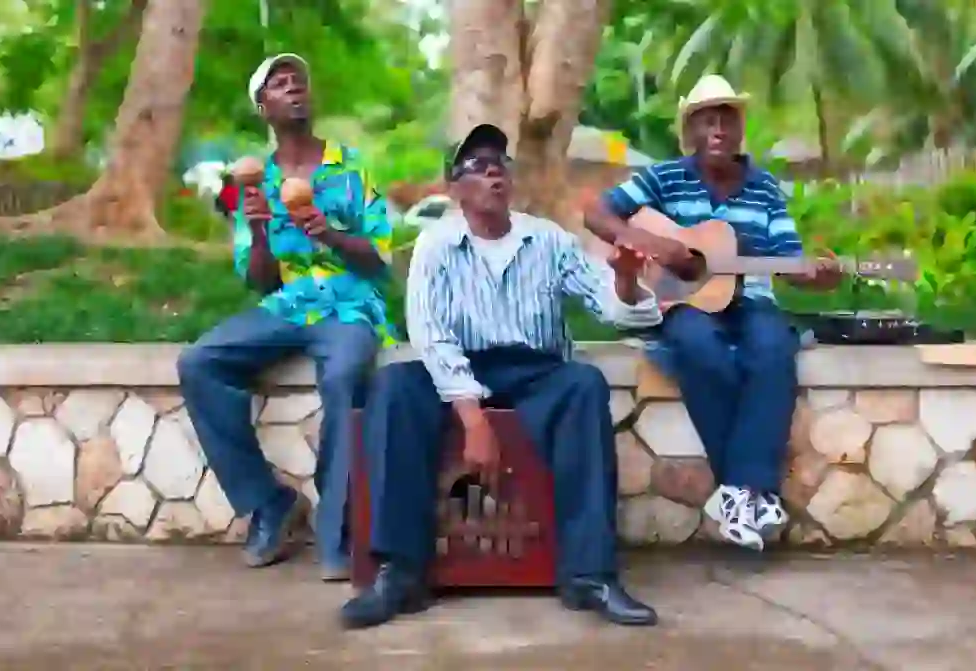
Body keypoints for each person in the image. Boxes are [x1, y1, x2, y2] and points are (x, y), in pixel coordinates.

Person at [341, 123, 690, 630]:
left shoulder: (548, 240)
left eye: (499, 163)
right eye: (477, 166)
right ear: (455, 187)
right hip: (462, 367)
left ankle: (589, 576)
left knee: (584, 387)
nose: (492, 172)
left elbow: (619, 312)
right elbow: (432, 336)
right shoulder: (435, 246)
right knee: (394, 389)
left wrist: (624, 280)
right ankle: (401, 573)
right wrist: (473, 418)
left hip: (535, 370)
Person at [584, 75, 841, 552]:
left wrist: (816, 275)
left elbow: (787, 258)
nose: (718, 128)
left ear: (740, 128)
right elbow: (598, 214)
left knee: (773, 347)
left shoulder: (764, 188)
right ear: (691, 130)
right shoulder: (664, 178)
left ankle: (737, 492)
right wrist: (658, 244)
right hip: (686, 304)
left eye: (727, 118)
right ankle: (751, 490)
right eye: (707, 119)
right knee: (698, 346)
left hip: (753, 300)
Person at [177, 53, 395, 581]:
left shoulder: (351, 168)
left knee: (344, 377)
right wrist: (255, 229)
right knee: (200, 363)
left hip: (349, 305)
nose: (294, 87)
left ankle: (338, 531)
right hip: (288, 304)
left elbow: (380, 262)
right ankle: (269, 503)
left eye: (300, 79)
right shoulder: (253, 182)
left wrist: (329, 234)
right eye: (280, 83)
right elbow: (261, 281)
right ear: (264, 107)